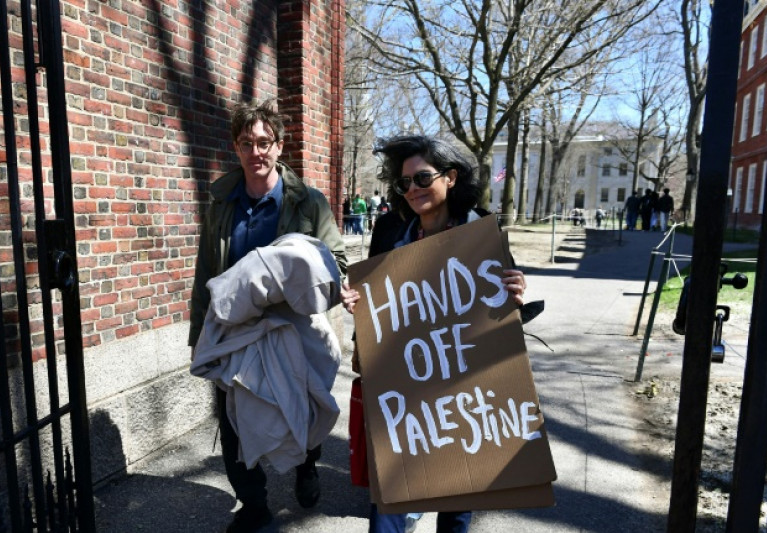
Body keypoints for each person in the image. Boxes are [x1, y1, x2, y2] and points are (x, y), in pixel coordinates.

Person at [339, 135, 527, 533]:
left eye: (423, 178)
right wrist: (359, 305)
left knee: (457, 506)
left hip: (466, 392)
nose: (413, 189)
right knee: (390, 505)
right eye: (405, 182)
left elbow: (502, 314)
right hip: (404, 390)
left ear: (451, 177)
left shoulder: (482, 233)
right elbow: (378, 303)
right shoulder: (390, 229)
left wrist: (515, 294)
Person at [188, 99, 347, 533]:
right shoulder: (221, 203)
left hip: (294, 328)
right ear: (236, 148)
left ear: (279, 146)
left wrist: (310, 279)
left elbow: (337, 262)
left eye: (264, 142)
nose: (256, 151)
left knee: (305, 405)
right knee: (233, 418)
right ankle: (254, 504)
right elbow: (207, 273)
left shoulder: (308, 203)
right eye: (246, 143)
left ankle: (307, 465)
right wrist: (199, 335)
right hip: (236, 329)